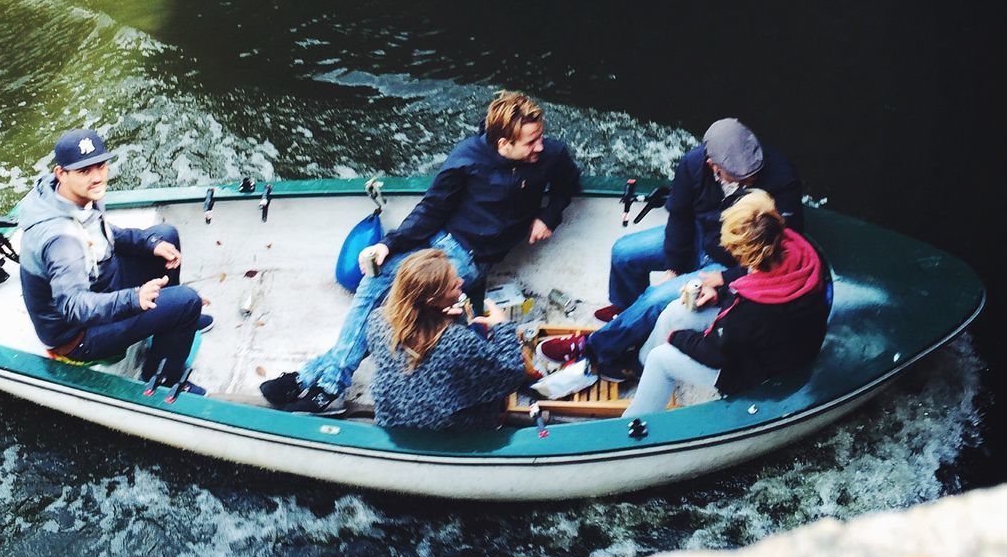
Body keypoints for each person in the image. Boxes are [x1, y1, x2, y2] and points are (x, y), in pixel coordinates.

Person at [261, 90, 581, 414]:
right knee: (374, 279)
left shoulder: (550, 155)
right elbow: (432, 209)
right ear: (503, 144)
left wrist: (548, 215)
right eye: (530, 142)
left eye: (539, 136)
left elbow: (569, 184)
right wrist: (389, 244)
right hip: (435, 241)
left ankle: (319, 381)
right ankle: (325, 381)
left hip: (468, 258)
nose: (540, 146)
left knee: (394, 306)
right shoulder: (467, 157)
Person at [541, 117, 802, 369]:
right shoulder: (692, 164)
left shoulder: (783, 179)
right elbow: (680, 215)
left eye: (754, 174)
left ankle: (595, 349)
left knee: (655, 299)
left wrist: (725, 281)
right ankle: (629, 315)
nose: (750, 181)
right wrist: (674, 267)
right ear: (712, 165)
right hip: (702, 238)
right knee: (624, 252)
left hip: (737, 260)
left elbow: (779, 253)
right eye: (740, 176)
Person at [18, 128, 209, 393]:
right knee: (187, 301)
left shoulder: (71, 195)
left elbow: (107, 235)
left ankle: (170, 326)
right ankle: (163, 378)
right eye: (85, 171)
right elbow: (74, 306)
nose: (97, 177)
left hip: (100, 284)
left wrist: (151, 244)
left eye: (101, 166)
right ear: (61, 173)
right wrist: (134, 298)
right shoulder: (62, 240)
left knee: (165, 236)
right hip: (79, 334)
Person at [623, 189, 829, 416]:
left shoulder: (753, 311)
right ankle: (641, 369)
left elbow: (716, 353)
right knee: (675, 311)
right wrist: (719, 294)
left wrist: (674, 337)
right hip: (773, 340)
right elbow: (752, 277)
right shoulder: (793, 249)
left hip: (758, 372)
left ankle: (632, 424)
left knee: (660, 358)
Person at [365, 248, 527, 430]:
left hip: (392, 420)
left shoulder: (377, 320)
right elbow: (512, 374)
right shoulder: (457, 342)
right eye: (453, 285)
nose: (461, 282)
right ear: (432, 301)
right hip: (449, 432)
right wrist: (502, 326)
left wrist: (446, 320)